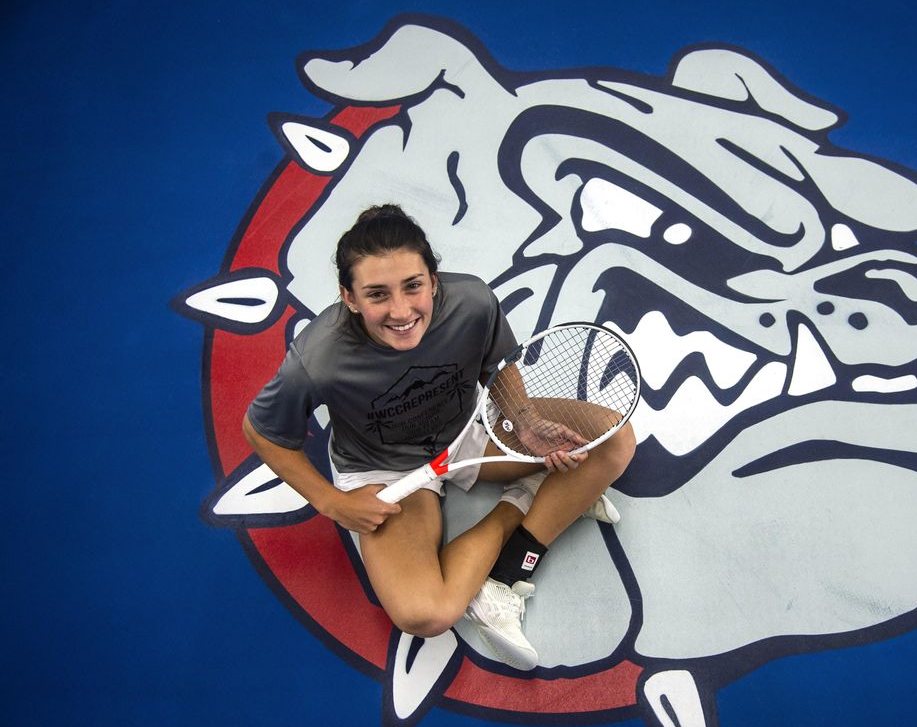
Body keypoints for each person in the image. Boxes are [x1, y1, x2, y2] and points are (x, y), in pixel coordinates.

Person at [242, 204, 635, 670]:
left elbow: (498, 367)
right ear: (349, 297)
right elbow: (261, 430)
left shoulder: (472, 302)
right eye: (377, 295)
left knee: (613, 440)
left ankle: (504, 576)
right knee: (426, 614)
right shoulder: (319, 356)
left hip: (468, 430)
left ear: (434, 279)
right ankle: (524, 501)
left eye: (413, 286)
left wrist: (524, 420)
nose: (401, 311)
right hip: (383, 468)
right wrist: (330, 501)